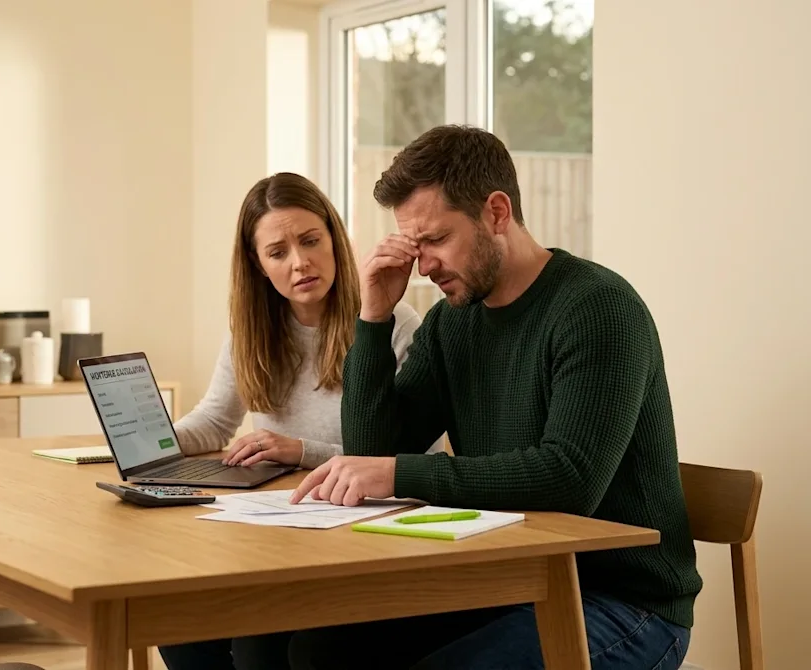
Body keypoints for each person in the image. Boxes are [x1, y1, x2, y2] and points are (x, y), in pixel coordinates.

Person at [287, 125, 703, 670]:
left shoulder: (599, 308)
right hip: (507, 577)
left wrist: (397, 474)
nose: (424, 265)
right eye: (415, 247)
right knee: (316, 649)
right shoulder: (451, 325)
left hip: (627, 603)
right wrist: (373, 319)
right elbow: (373, 447)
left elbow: (569, 478)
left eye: (436, 240)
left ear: (497, 212)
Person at [159, 171, 440, 670]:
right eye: (278, 252)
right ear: (258, 264)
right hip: (279, 534)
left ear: (334, 237)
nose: (300, 262)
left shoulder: (393, 325)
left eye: (311, 241)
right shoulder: (252, 331)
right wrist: (151, 441)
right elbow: (213, 422)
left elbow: (415, 458)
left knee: (263, 645)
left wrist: (300, 450)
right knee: (179, 628)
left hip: (366, 538)